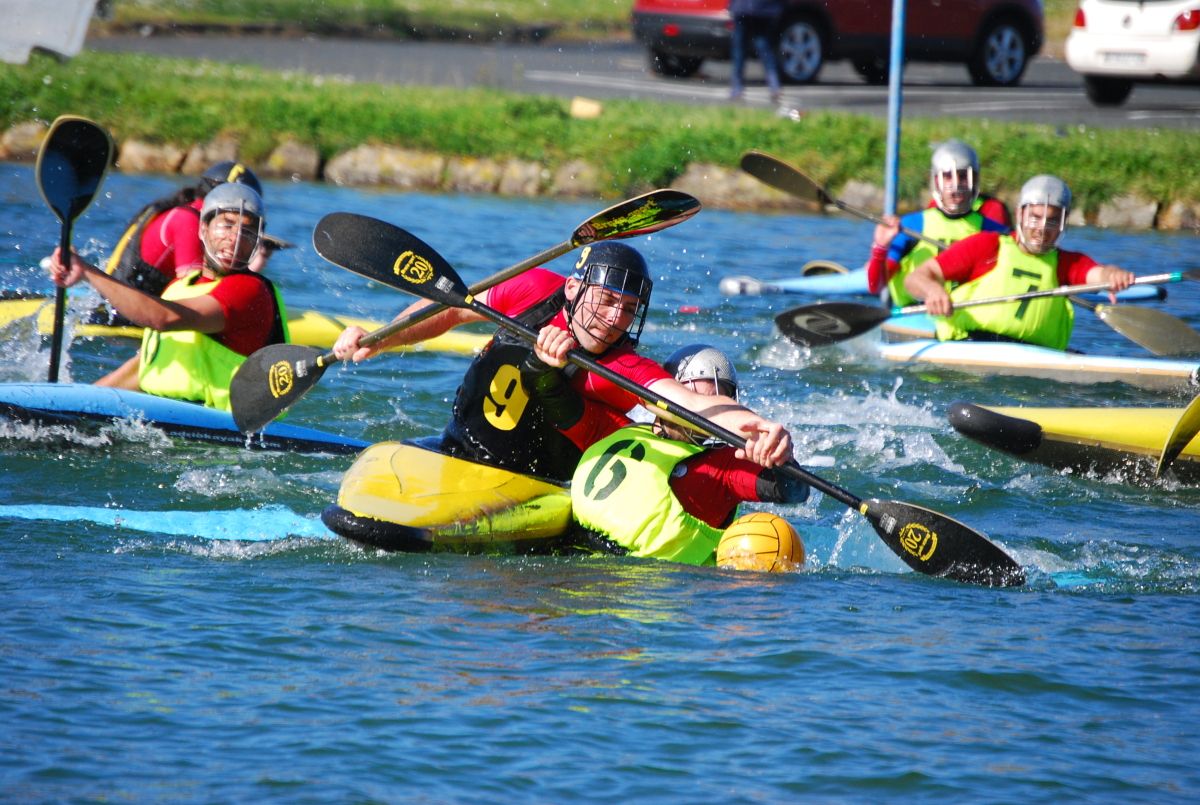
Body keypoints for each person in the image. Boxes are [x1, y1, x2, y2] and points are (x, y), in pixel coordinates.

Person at [332, 242, 794, 481]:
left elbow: (680, 401)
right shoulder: (532, 288)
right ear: (573, 289)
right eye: (608, 299)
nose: (616, 319)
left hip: (533, 483)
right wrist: (382, 339)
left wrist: (758, 428)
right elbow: (453, 306)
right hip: (457, 446)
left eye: (629, 309)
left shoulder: (619, 367)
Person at [45, 182, 288, 412]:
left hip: (222, 436)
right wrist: (73, 404)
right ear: (203, 229)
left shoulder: (248, 290)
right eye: (227, 225)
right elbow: (141, 371)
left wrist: (88, 272)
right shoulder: (178, 287)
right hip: (169, 423)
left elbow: (164, 317)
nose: (235, 238)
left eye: (247, 230)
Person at [561, 344, 809, 566]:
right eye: (697, 400)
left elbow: (793, 490)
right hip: (570, 552)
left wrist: (779, 457)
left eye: (719, 406)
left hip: (649, 591)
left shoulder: (722, 466)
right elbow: (554, 397)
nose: (704, 415)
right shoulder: (619, 431)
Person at [903, 174, 1134, 350]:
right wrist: (933, 291)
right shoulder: (986, 246)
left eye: (1052, 220)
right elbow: (917, 278)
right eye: (1035, 217)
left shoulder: (1067, 263)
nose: (1042, 228)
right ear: (1020, 215)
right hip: (971, 345)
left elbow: (1099, 274)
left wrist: (1112, 276)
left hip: (1036, 356)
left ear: (1063, 223)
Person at [867, 140, 1012, 306]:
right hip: (913, 316)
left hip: (963, 318)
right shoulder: (912, 225)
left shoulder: (994, 232)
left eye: (963, 176)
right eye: (948, 177)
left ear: (975, 180)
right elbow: (875, 287)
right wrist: (880, 247)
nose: (956, 185)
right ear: (936, 181)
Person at [104, 160, 265, 297]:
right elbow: (191, 290)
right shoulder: (187, 220)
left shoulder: (192, 213)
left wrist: (260, 258)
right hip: (125, 317)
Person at [728, 0, 784, 105]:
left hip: (743, 7)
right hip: (763, 8)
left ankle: (737, 88)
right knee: (764, 46)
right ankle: (774, 84)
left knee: (739, 49)